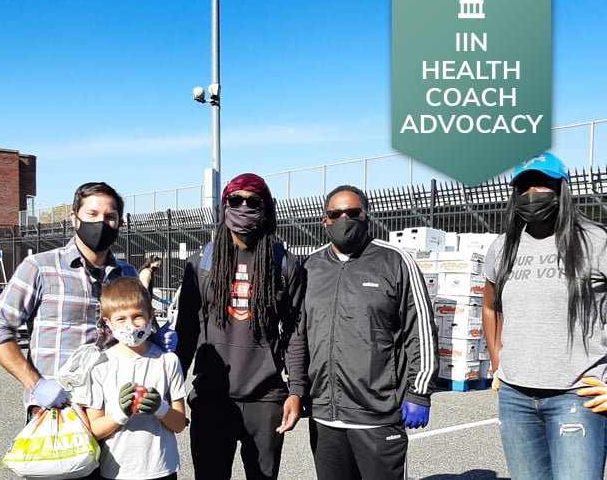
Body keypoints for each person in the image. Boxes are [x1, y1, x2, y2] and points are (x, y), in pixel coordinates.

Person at [0, 182, 177, 420]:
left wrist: (154, 338)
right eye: (92, 214)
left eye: (110, 217)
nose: (101, 223)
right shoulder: (41, 267)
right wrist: (35, 384)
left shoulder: (128, 274)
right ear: (75, 218)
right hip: (58, 411)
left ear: (120, 224)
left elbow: (133, 334)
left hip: (115, 413)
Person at [298, 184, 439, 480]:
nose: (344, 220)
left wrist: (420, 391)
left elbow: (421, 329)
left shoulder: (395, 261)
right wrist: (298, 391)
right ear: (324, 220)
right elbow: (299, 335)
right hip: (325, 417)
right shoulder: (311, 266)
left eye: (352, 213)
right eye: (335, 214)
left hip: (378, 415)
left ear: (366, 216)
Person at [482, 152, 607, 479]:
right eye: (523, 187)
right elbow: (491, 306)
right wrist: (497, 362)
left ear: (562, 188)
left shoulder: (596, 242)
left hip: (577, 396)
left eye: (542, 183)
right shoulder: (502, 248)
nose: (532, 193)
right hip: (515, 399)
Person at [175, 173, 306, 480]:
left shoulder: (284, 264)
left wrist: (297, 391)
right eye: (236, 200)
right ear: (225, 206)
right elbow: (186, 332)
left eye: (253, 202)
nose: (244, 207)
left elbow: (296, 333)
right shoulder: (201, 264)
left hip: (265, 400)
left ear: (267, 209)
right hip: (212, 398)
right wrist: (171, 388)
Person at [60, 276, 188, 480]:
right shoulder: (100, 365)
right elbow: (95, 429)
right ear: (108, 323)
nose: (131, 326)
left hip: (162, 468)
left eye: (138, 316)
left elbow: (179, 424)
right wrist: (120, 413)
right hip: (116, 470)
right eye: (121, 319)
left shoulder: (168, 361)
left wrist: (160, 408)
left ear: (151, 315)